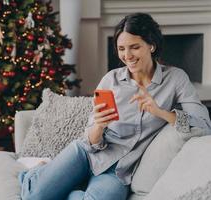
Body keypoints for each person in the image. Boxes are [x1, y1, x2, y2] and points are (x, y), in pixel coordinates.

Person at [18, 12, 211, 200]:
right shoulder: (111, 80)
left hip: (118, 172)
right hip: (87, 155)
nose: (127, 56)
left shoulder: (175, 79)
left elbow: (204, 125)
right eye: (121, 49)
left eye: (134, 47)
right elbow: (91, 139)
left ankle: (68, 187)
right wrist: (99, 127)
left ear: (151, 45)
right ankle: (36, 173)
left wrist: (161, 112)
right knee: (32, 196)